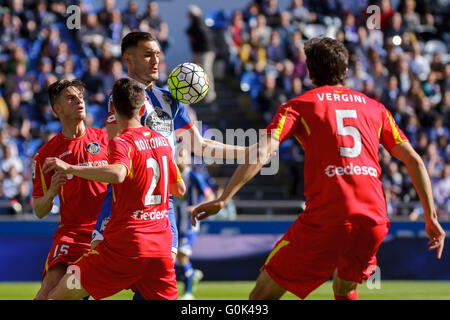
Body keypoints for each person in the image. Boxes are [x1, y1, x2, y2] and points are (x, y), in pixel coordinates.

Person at [192, 37, 446, 300]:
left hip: (329, 216)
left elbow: (263, 151)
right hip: (374, 218)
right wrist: (431, 217)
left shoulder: (298, 106)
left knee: (261, 297)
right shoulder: (376, 108)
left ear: (310, 73)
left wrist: (224, 198)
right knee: (345, 288)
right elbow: (414, 160)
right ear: (345, 71)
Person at [91, 32, 246, 299]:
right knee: (89, 277)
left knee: (156, 283)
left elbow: (201, 146)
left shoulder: (170, 101)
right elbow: (117, 148)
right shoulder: (121, 98)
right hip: (125, 203)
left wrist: (247, 152)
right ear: (128, 58)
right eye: (148, 54)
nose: (156, 61)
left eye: (158, 55)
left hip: (163, 205)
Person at [45, 78, 185, 300]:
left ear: (112, 109)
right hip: (160, 248)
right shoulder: (162, 141)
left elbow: (118, 174)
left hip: (124, 247)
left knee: (55, 296)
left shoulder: (121, 142)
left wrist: (70, 167)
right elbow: (179, 189)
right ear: (142, 109)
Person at [31, 79, 109, 300]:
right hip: (72, 235)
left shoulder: (105, 139)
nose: (79, 102)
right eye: (71, 98)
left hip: (107, 231)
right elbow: (39, 209)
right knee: (48, 291)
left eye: (81, 97)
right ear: (57, 108)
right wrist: (51, 193)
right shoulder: (46, 154)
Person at [174, 145, 215, 300]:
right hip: (174, 222)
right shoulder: (171, 175)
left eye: (182, 155)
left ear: (189, 159)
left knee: (182, 256)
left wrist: (196, 207)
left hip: (189, 223)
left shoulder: (194, 176)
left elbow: (210, 196)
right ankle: (192, 274)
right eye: (177, 155)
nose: (179, 158)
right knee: (177, 258)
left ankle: (188, 293)